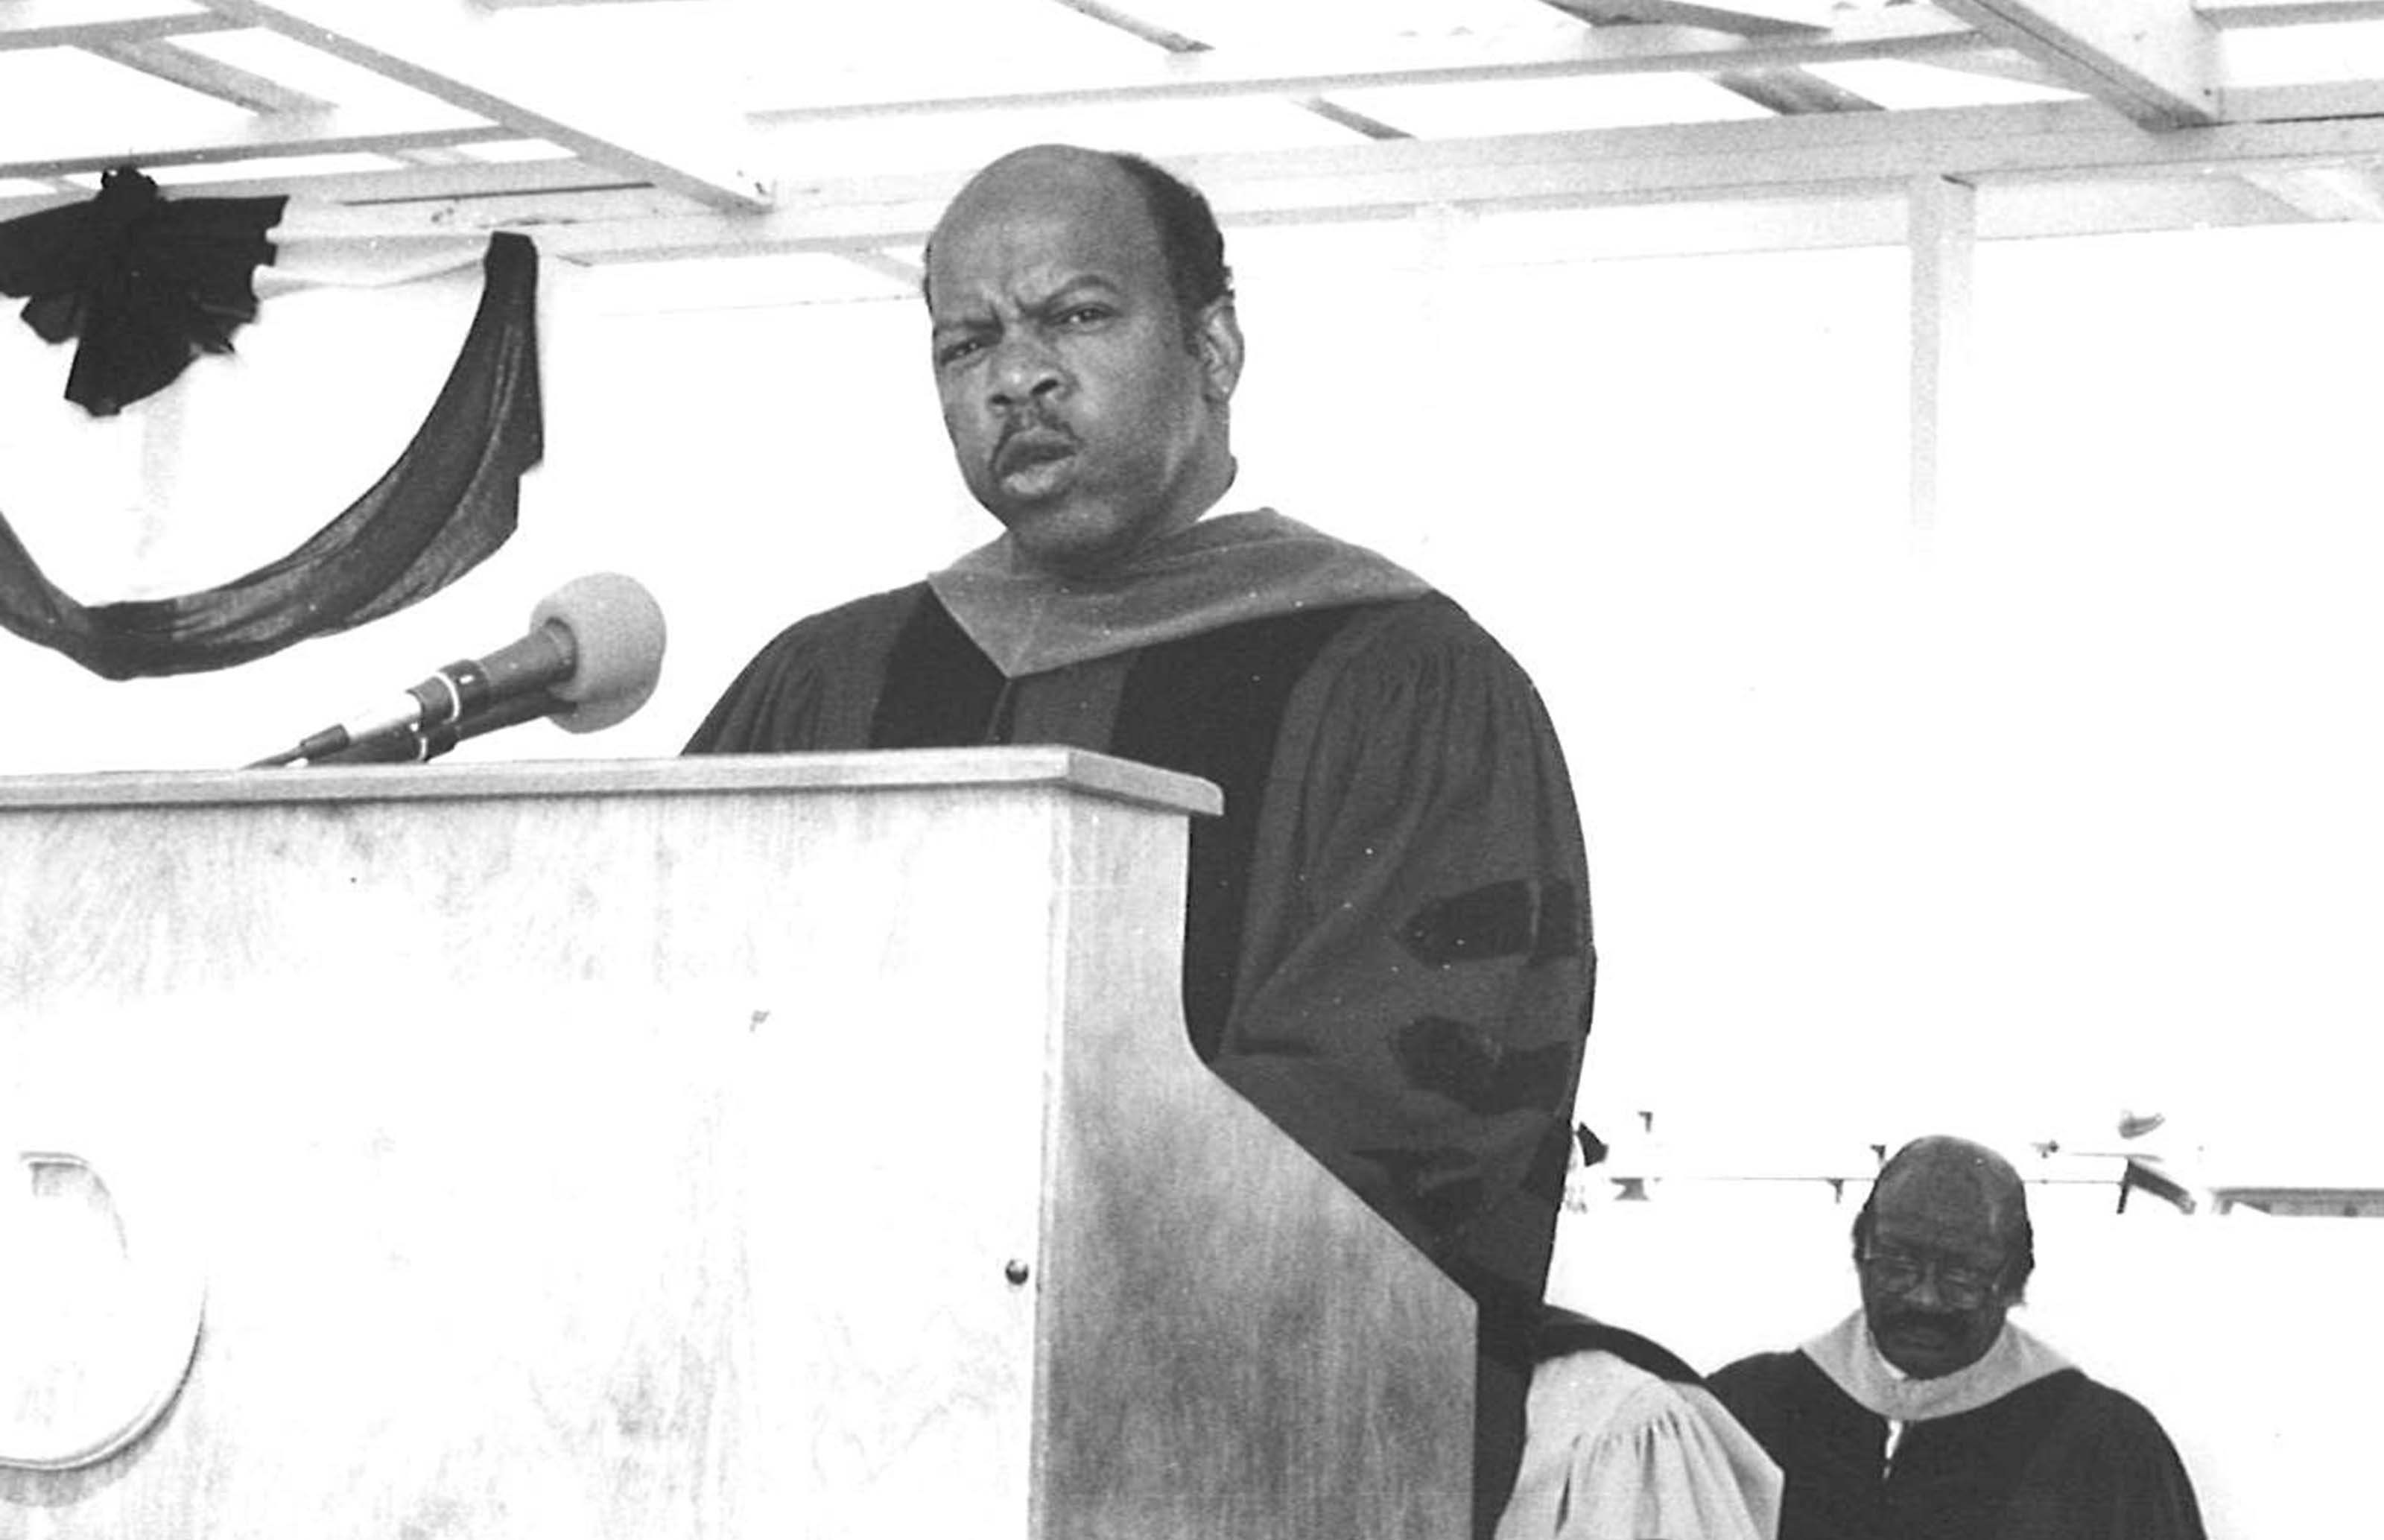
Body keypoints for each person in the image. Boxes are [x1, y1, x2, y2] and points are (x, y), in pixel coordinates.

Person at [681, 143, 1596, 1536]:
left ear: (1215, 345)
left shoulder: (1405, 685)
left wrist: (979, 1262)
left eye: (1078, 317)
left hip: (1216, 1463)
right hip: (829, 1448)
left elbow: (1396, 1125)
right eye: (967, 341)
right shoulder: (824, 680)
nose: (1019, 377)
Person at [1708, 1135, 2207, 1540]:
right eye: (1899, 1263)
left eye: (1962, 1273)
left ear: (2015, 1278)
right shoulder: (1744, 1409)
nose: (1925, 1298)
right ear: (1860, 1252)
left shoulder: (2106, 1444)